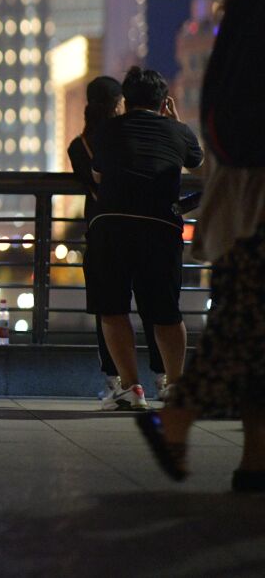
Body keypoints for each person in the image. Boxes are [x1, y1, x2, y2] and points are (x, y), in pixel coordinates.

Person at [137, 0, 265, 491]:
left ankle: (254, 462)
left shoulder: (228, 51)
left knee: (250, 337)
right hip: (259, 216)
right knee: (243, 335)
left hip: (236, 214)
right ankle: (178, 416)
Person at [86, 66, 202, 411]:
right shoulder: (178, 131)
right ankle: (176, 386)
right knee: (166, 311)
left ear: (126, 100)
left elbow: (97, 173)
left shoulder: (108, 130)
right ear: (164, 101)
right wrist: (176, 123)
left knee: (113, 308)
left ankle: (130, 387)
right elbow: (199, 164)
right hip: (160, 227)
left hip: (111, 225)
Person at [67, 75, 166, 403]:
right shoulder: (125, 134)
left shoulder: (79, 144)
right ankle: (162, 378)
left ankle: (116, 381)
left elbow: (95, 183)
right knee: (153, 305)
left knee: (109, 310)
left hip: (101, 228)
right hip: (146, 226)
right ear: (119, 103)